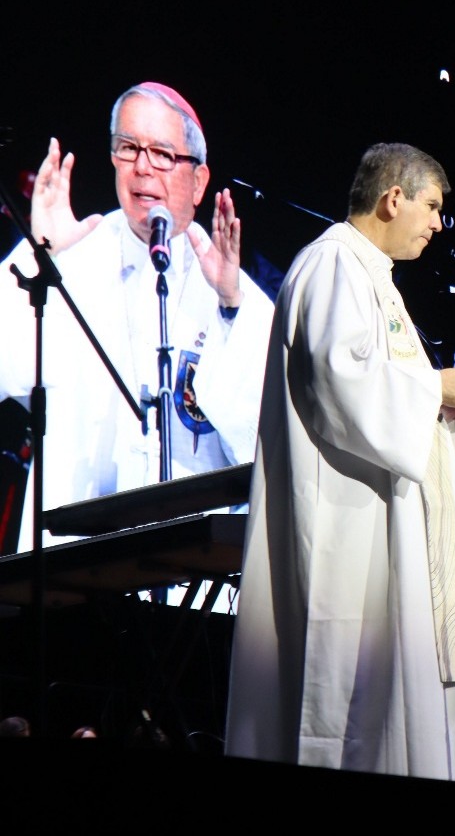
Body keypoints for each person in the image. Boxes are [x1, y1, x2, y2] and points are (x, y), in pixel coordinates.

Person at [223, 142, 455, 782]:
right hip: (345, 527)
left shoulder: (373, 278)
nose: (438, 223)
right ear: (393, 199)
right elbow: (340, 380)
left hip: (385, 525)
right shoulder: (333, 262)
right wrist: (437, 388)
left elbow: (389, 395)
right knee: (350, 708)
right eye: (432, 206)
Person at [0, 83, 275, 565]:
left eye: (163, 154)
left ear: (199, 180)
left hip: (190, 573)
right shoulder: (72, 258)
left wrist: (231, 308)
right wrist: (40, 254)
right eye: (128, 147)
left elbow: (265, 440)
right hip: (72, 561)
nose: (142, 167)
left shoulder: (229, 288)